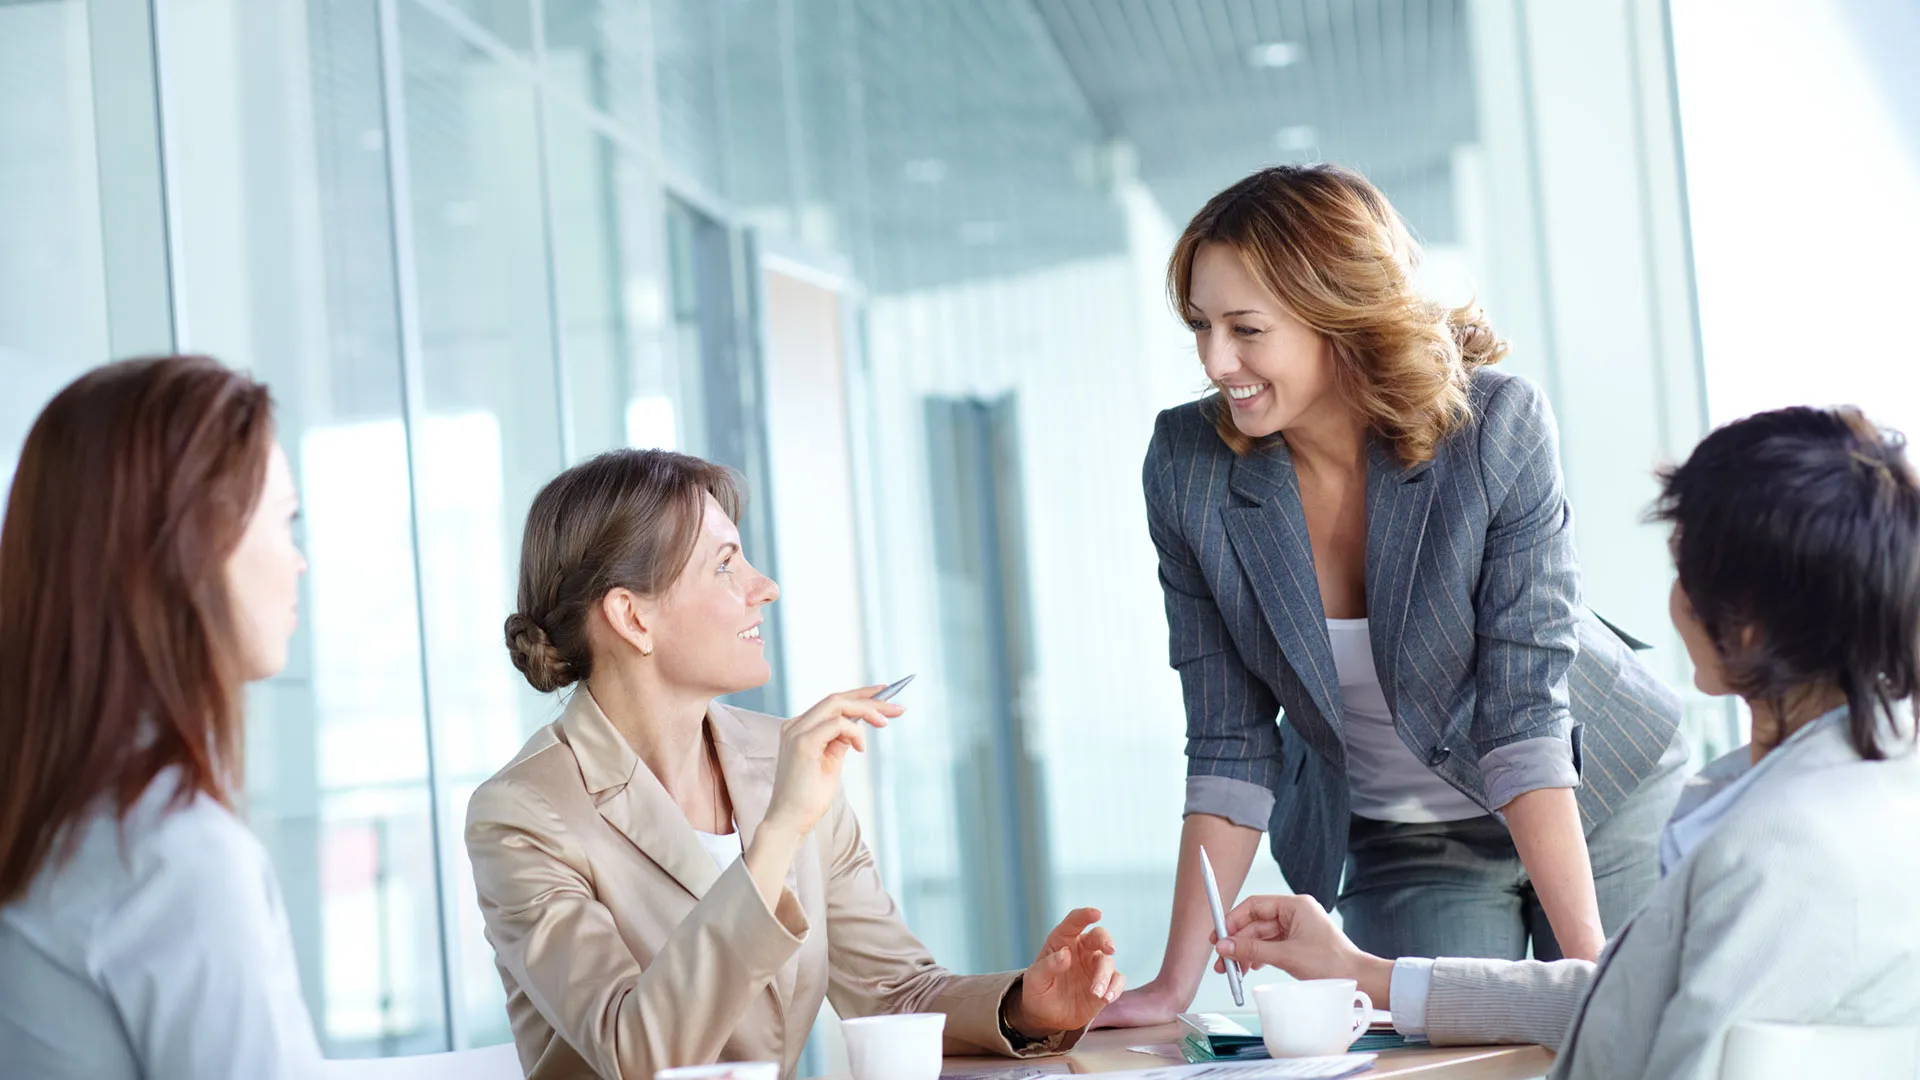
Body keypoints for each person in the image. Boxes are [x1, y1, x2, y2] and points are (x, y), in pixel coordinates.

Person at [1103, 165, 1686, 1027]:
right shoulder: (1189, 466)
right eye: (1200, 325)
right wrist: (1170, 988)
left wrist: (1593, 983)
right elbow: (1229, 740)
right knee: (1439, 1062)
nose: (1215, 361)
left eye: (1246, 329)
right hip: (1409, 837)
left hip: (1595, 793)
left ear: (1338, 314)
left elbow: (1523, 715)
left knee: (1626, 1040)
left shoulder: (1494, 427)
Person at [1213, 405, 1920, 1079]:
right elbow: (1624, 999)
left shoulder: (1776, 851)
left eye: (1684, 570)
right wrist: (1363, 972)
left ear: (1745, 625)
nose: (1675, 598)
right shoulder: (1862, 795)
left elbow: (1663, 1051)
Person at [466, 449, 1122, 1080]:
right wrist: (779, 832)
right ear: (632, 617)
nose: (766, 587)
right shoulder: (524, 815)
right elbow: (638, 1054)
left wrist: (1024, 1008)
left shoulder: (781, 756)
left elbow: (893, 992)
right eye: (725, 565)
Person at [0, 357, 320, 1078]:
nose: (298, 562)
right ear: (192, 550)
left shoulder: (53, 827)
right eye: (285, 520)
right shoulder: (173, 860)